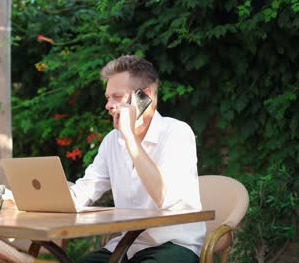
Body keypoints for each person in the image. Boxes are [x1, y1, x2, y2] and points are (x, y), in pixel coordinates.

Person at [70, 55, 205, 263]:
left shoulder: (177, 133)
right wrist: (27, 200)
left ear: (145, 95)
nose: (108, 105)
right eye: (108, 97)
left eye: (117, 96)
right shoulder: (112, 141)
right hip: (126, 246)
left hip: (173, 245)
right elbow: (85, 190)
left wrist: (130, 138)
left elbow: (163, 197)